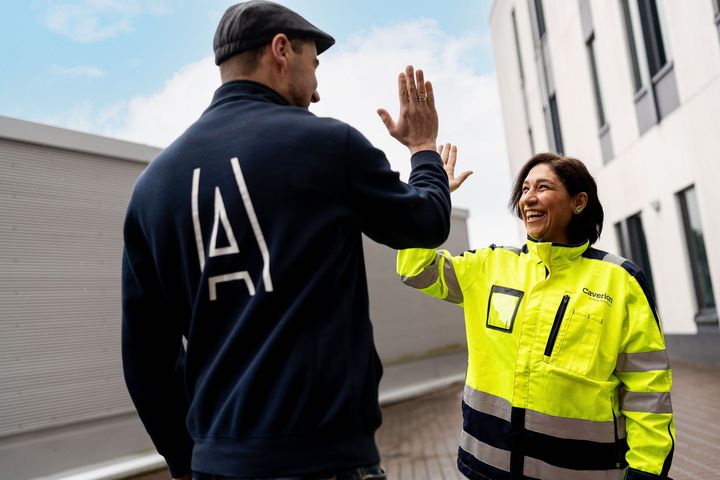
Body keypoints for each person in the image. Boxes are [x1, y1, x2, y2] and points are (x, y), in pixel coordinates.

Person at [121, 1, 453, 479]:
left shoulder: (152, 188)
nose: (316, 93)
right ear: (281, 50)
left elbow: (145, 360)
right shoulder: (326, 145)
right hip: (325, 462)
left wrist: (187, 461)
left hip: (217, 464)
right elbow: (426, 223)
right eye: (313, 65)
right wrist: (423, 149)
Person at [398, 150, 675, 480]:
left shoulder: (620, 281)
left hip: (582, 473)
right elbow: (416, 270)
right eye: (525, 189)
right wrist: (431, 195)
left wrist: (647, 470)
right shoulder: (490, 266)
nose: (529, 198)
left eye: (543, 187)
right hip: (487, 468)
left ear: (579, 201)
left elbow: (648, 390)